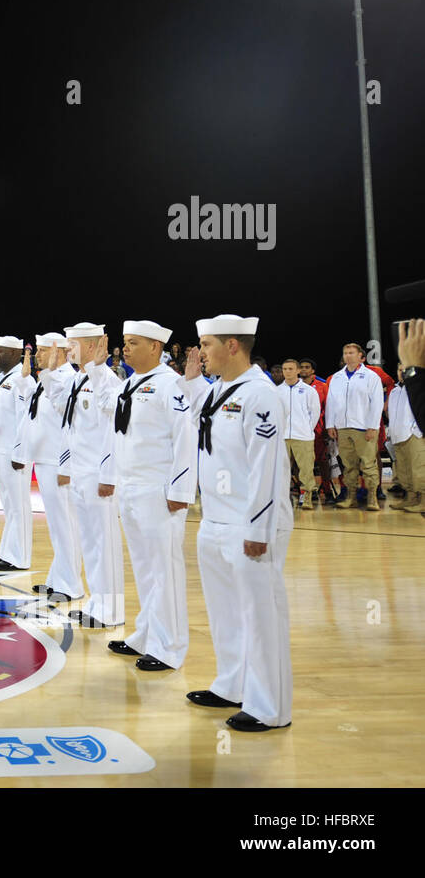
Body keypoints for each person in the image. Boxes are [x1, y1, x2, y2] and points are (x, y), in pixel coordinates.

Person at [189, 314, 292, 732]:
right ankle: (232, 684)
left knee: (260, 614)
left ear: (233, 346)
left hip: (248, 523)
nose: (200, 352)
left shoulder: (259, 394)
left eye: (208, 344)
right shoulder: (219, 389)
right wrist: (194, 381)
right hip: (215, 517)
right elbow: (200, 423)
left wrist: (258, 529)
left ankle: (270, 707)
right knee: (226, 612)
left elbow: (266, 467)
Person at [97, 320, 201, 672]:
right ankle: (145, 634)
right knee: (143, 567)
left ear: (155, 347)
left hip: (160, 490)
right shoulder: (129, 383)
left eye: (133, 343)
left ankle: (169, 647)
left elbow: (186, 437)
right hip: (131, 487)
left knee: (164, 570)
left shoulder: (172, 385)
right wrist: (112, 477)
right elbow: (119, 435)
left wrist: (181, 489)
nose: (124, 349)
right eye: (125, 343)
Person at [57, 322, 125, 627]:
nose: (69, 349)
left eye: (74, 343)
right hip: (81, 472)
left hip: (99, 474)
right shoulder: (79, 379)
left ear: (93, 345)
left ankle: (110, 611)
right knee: (90, 541)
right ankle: (97, 603)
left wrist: (108, 474)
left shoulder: (107, 380)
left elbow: (112, 430)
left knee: (104, 543)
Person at [15, 334, 83, 602]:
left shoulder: (66, 378)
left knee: (65, 523)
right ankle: (59, 578)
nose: (38, 356)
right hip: (44, 458)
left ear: (62, 353)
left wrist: (50, 374)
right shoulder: (49, 377)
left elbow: (64, 413)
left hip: (58, 460)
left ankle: (71, 585)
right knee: (57, 525)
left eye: (42, 351)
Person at [0, 337, 34, 571]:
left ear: (15, 355)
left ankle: (20, 557)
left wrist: (20, 452)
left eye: (1, 352)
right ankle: (8, 552)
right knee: (10, 505)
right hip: (0, 451)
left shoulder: (22, 381)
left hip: (13, 453)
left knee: (19, 506)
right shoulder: (5, 379)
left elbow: (25, 419)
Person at [325, 342, 385, 511]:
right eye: (345, 353)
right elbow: (331, 403)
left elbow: (377, 402)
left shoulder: (371, 376)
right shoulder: (336, 377)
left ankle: (372, 497)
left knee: (368, 464)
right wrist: (330, 424)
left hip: (364, 427)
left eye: (351, 352)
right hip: (343, 428)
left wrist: (373, 426)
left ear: (361, 356)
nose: (348, 356)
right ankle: (351, 497)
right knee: (348, 465)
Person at [276, 358, 322, 510]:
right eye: (285, 369)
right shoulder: (276, 391)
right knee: (281, 469)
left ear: (297, 371)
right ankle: (282, 497)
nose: (287, 372)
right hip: (282, 437)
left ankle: (307, 495)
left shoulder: (309, 391)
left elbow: (315, 412)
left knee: (306, 469)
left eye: (290, 369)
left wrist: (307, 429)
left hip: (303, 436)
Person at [387, 364, 424, 513]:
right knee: (403, 471)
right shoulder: (395, 391)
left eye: (405, 370)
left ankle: (423, 501)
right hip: (397, 435)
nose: (402, 373)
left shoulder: (419, 388)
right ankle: (410, 498)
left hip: (414, 435)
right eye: (399, 370)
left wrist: (416, 430)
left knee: (419, 470)